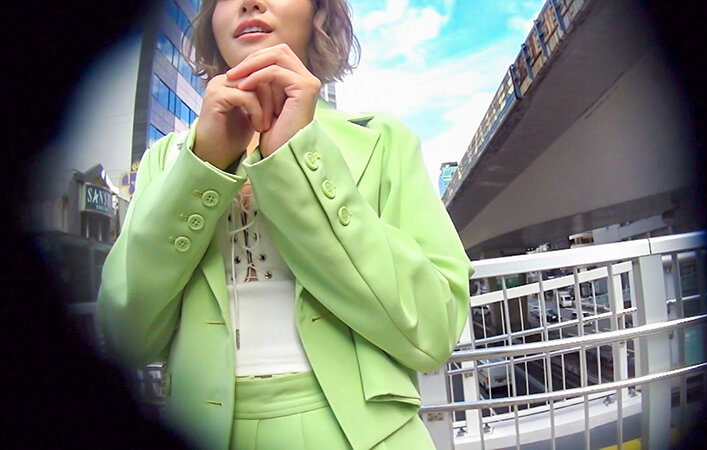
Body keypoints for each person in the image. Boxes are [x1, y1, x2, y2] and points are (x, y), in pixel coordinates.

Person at [95, 0, 474, 448]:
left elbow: (434, 332)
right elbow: (125, 340)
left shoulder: (383, 140)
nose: (250, 2)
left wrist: (297, 158)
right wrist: (203, 165)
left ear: (318, 13)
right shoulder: (167, 159)